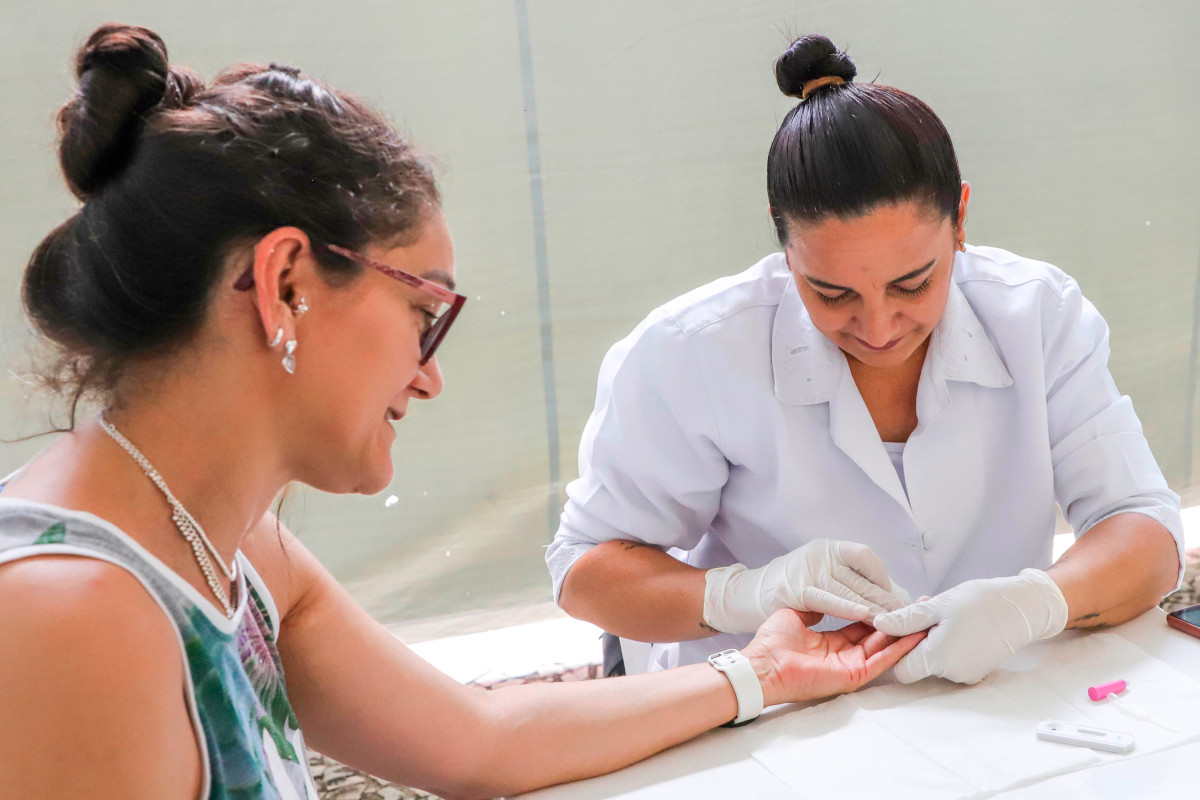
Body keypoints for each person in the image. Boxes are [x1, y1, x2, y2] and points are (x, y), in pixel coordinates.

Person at [0, 24, 927, 800]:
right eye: (421, 311)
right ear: (285, 283)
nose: (429, 377)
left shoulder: (227, 544)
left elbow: (478, 741)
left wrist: (759, 674)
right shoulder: (75, 619)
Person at [549, 33, 1185, 683]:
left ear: (960, 217)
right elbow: (586, 574)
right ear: (783, 238)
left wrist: (1037, 604)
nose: (879, 327)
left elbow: (1143, 531)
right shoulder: (690, 353)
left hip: (992, 700)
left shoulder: (1037, 316)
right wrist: (744, 593)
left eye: (913, 283)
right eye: (831, 292)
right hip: (763, 714)